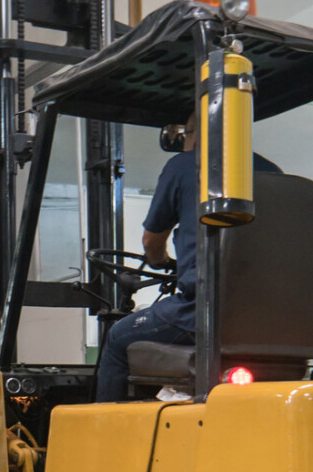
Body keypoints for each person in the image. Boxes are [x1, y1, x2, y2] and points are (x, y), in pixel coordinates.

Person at [95, 120, 282, 401]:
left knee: (118, 336)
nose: (183, 143)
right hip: (272, 320)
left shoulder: (184, 165)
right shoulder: (274, 172)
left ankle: (105, 437)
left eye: (184, 135)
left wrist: (160, 261)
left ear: (196, 133)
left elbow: (152, 241)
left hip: (203, 313)